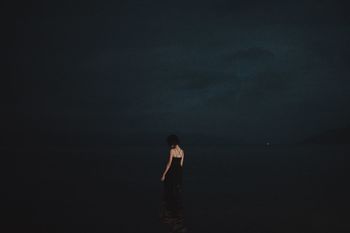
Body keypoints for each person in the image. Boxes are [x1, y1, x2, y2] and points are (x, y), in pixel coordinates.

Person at [160, 134, 185, 224]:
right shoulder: (182, 151)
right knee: (176, 188)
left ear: (173, 142)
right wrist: (180, 175)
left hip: (171, 172)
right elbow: (181, 165)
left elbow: (169, 164)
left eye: (170, 143)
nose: (170, 145)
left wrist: (163, 174)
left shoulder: (172, 151)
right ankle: (176, 207)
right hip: (178, 173)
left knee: (168, 188)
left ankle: (168, 206)